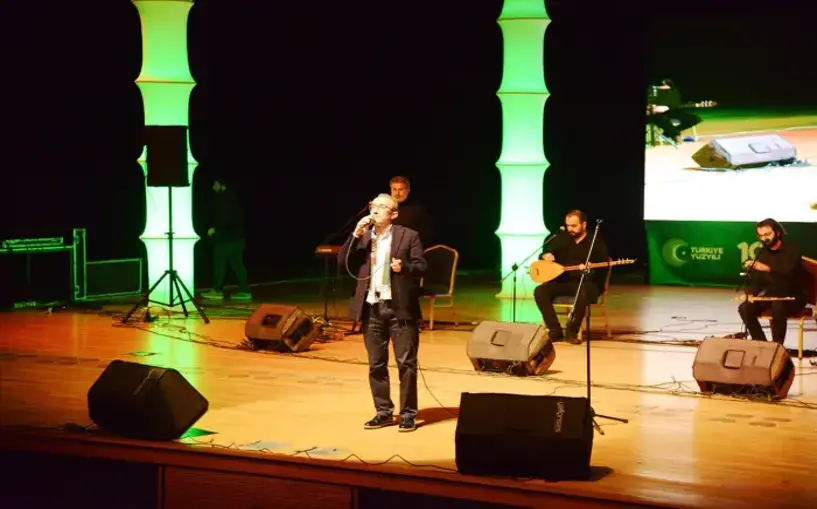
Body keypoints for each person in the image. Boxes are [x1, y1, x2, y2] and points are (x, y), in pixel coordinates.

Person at [338, 193, 427, 432]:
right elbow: (342, 263)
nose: (375, 210)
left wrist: (403, 267)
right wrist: (355, 234)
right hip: (372, 309)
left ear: (393, 214)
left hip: (400, 310)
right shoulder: (365, 237)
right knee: (376, 364)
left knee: (406, 364)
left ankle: (408, 414)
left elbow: (421, 266)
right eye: (373, 206)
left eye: (381, 207)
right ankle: (383, 412)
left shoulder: (408, 236)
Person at [533, 210, 609, 344]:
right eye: (568, 225)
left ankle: (572, 331)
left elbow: (604, 265)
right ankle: (554, 330)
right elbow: (545, 253)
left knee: (582, 291)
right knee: (540, 291)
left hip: (587, 283)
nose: (570, 229)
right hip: (563, 281)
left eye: (574, 226)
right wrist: (545, 255)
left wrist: (590, 268)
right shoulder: (562, 238)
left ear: (584, 224)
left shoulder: (595, 241)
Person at [738, 218, 805, 344]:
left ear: (778, 233)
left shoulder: (792, 250)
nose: (764, 239)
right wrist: (751, 294)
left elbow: (788, 273)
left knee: (778, 306)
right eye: (761, 236)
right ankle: (761, 343)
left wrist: (767, 268)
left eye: (767, 234)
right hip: (772, 296)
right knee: (745, 308)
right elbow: (758, 279)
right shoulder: (762, 253)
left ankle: (777, 346)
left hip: (792, 297)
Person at [201, 177, 252, 301]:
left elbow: (223, 218)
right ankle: (245, 290)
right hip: (238, 238)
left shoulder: (223, 199)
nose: (213, 188)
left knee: (219, 264)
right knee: (238, 264)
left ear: (221, 184)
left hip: (226, 239)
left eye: (215, 185)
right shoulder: (234, 197)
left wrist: (214, 229)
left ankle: (217, 290)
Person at [646, 78, 702, 143]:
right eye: (663, 84)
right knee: (662, 119)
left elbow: (675, 103)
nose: (665, 86)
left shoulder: (674, 91)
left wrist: (667, 107)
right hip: (655, 113)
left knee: (694, 118)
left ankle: (668, 133)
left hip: (671, 110)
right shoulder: (652, 90)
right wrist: (650, 108)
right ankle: (675, 135)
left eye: (667, 84)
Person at [389, 176, 432, 247]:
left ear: (408, 191)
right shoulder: (384, 207)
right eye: (394, 189)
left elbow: (426, 234)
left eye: (401, 189)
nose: (397, 193)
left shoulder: (417, 209)